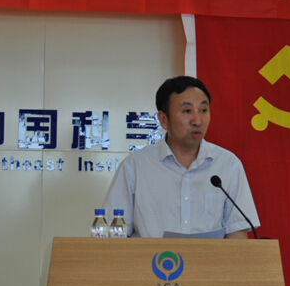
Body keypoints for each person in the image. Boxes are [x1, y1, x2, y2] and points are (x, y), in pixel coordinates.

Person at [102, 75, 260, 238]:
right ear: (164, 120)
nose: (197, 121)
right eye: (187, 111)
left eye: (203, 110)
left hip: (209, 256)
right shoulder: (135, 166)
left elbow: (237, 231)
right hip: (151, 256)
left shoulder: (228, 164)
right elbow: (112, 233)